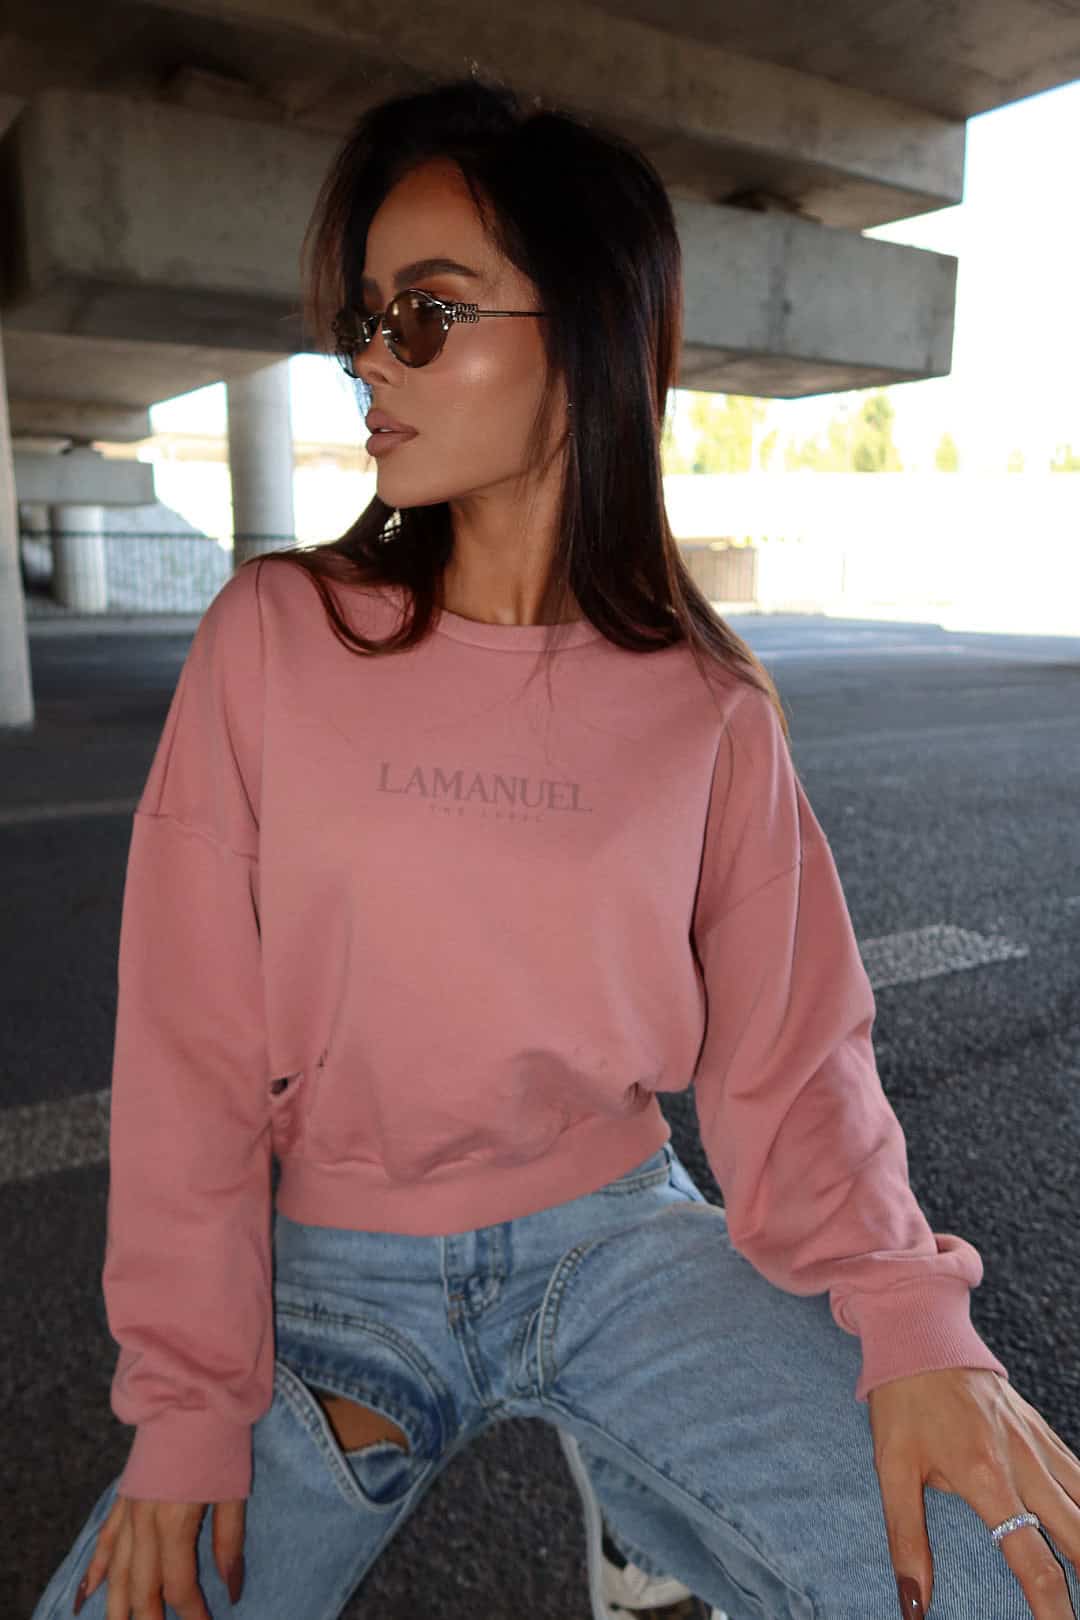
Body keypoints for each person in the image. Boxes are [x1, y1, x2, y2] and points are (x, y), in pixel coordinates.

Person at [31, 77, 1080, 1620]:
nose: (369, 361)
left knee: (1014, 1579)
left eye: (426, 314)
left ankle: (648, 1496)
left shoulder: (707, 707)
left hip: (619, 1244)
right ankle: (653, 1497)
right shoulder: (274, 637)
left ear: (585, 335)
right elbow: (187, 1047)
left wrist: (919, 1325)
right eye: (366, 322)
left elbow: (797, 1062)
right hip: (329, 1279)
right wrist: (188, 1404)